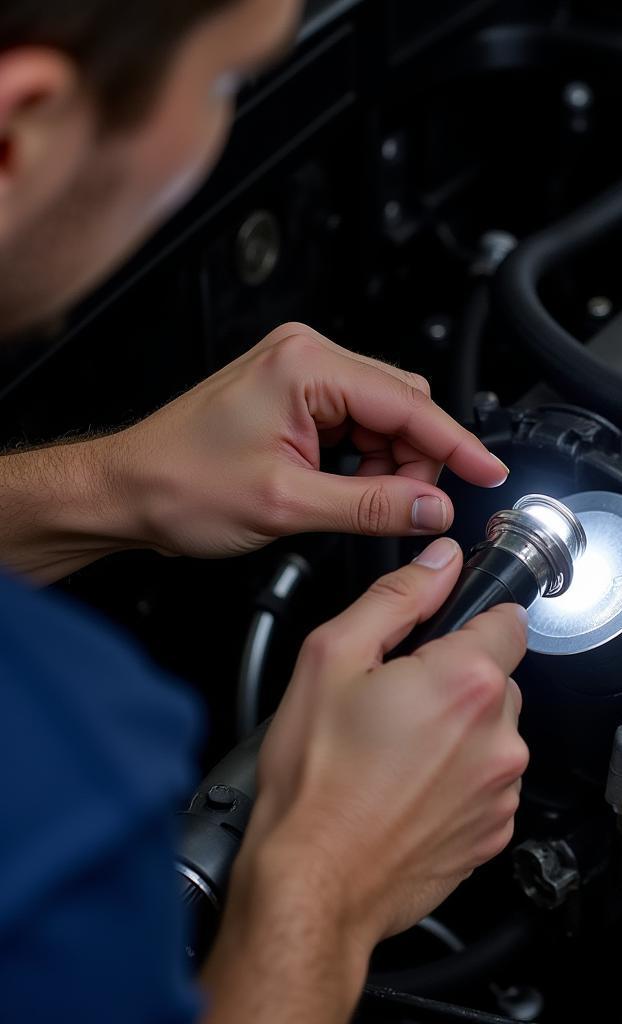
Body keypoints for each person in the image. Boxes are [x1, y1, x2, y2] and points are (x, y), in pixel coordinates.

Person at [0, 2, 530, 1022]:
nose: (218, 129)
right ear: (19, 129)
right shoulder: (64, 773)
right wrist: (324, 887)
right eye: (219, 86)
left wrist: (108, 486)